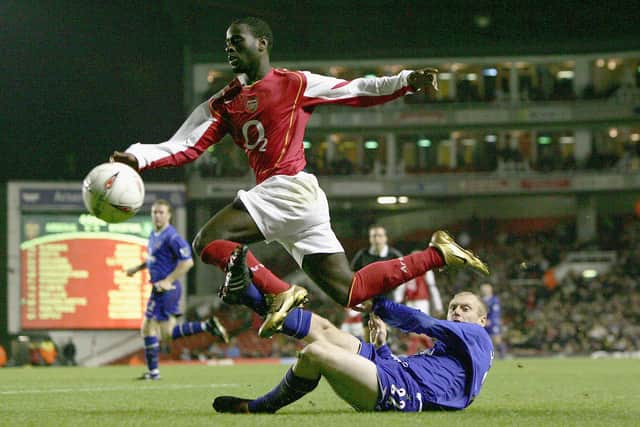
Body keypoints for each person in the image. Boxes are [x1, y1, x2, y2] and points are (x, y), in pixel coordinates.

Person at [111, 16, 489, 338]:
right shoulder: (224, 102)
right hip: (292, 198)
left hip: (287, 187)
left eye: (236, 41)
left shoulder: (294, 84)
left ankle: (278, 292)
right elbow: (186, 145)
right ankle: (437, 253)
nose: (228, 48)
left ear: (262, 44)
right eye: (226, 44)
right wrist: (138, 157)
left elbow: (356, 89)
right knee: (351, 290)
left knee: (207, 241)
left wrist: (405, 80)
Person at [212, 291, 494, 413]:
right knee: (325, 330)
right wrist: (381, 346)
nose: (456, 311)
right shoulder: (449, 353)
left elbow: (424, 323)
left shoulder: (477, 335)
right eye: (453, 307)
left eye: (465, 308)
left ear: (482, 320)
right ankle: (252, 295)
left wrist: (377, 304)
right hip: (394, 378)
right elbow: (404, 369)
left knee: (316, 352)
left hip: (402, 394)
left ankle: (259, 408)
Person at [125, 199, 229, 380]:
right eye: (154, 212)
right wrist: (137, 268)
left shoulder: (172, 237)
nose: (157, 215)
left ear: (169, 215)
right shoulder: (154, 234)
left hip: (168, 290)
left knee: (167, 334)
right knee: (148, 329)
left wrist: (168, 280)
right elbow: (153, 259)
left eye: (161, 212)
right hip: (157, 289)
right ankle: (153, 372)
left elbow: (187, 262)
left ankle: (207, 325)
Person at [350, 224, 403, 341]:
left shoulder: (394, 255)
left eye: (379, 236)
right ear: (370, 238)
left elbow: (405, 275)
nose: (377, 239)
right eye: (374, 236)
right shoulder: (362, 255)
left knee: (382, 338)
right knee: (368, 337)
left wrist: (398, 297)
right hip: (367, 302)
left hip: (388, 302)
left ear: (385, 238)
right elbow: (352, 275)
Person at [480, 283, 507, 359]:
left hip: (493, 322)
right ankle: (487, 356)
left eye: (485, 289)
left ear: (490, 290)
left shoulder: (494, 299)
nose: (484, 291)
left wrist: (490, 320)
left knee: (496, 339)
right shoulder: (481, 300)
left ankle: (503, 355)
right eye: (482, 289)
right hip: (483, 322)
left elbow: (495, 312)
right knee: (484, 339)